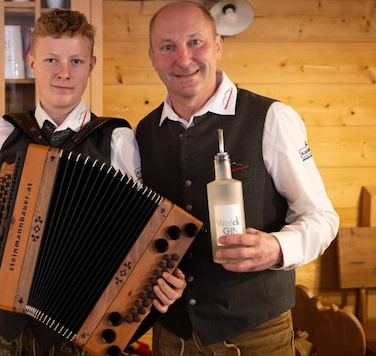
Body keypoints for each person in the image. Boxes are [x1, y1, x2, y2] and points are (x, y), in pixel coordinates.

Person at [0, 9, 187, 355]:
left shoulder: (116, 137)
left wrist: (161, 274)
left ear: (91, 65)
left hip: (83, 324)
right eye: (51, 60)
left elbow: (143, 227)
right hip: (6, 330)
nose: (64, 72)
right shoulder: (2, 132)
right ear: (32, 62)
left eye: (76, 61)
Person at [135, 1, 340, 355]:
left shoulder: (272, 118)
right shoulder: (143, 132)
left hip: (256, 336)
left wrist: (276, 248)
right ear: (153, 56)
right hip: (171, 336)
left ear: (217, 45)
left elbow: (322, 218)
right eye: (168, 47)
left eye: (195, 42)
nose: (183, 60)